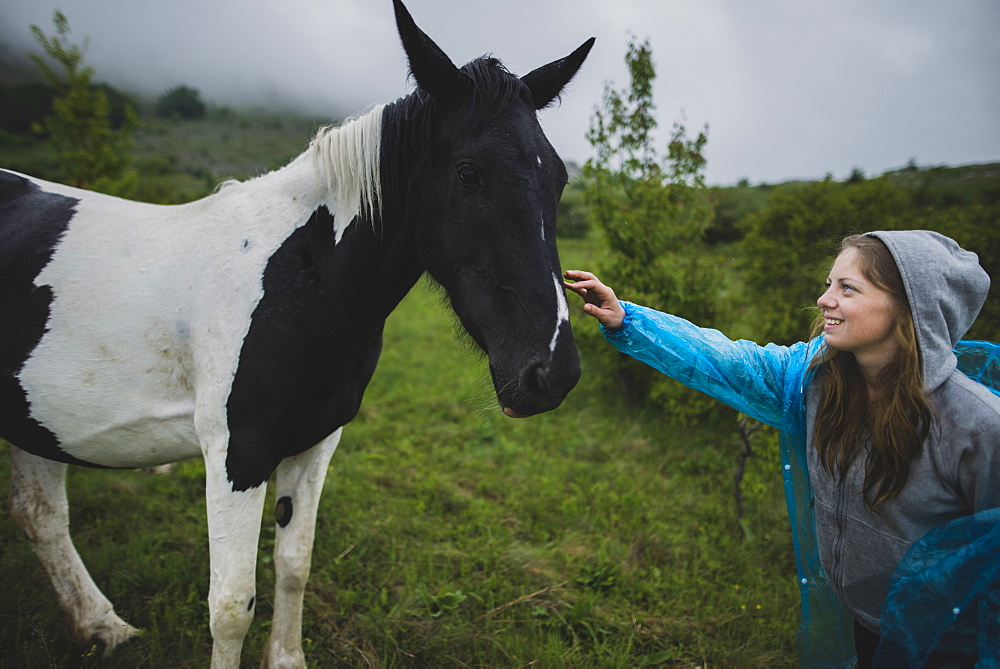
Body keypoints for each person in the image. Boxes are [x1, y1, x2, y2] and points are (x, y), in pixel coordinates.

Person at [564, 231, 1000, 667]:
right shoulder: (816, 381)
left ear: (912, 308)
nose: (824, 299)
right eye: (829, 284)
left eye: (847, 288)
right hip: (863, 626)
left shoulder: (978, 428)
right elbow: (732, 362)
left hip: (948, 644)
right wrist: (628, 319)